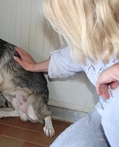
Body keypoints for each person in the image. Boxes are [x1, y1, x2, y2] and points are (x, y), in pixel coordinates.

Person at [14, 0, 119, 146]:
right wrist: (33, 67)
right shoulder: (89, 40)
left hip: (113, 116)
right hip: (104, 112)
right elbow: (69, 59)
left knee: (113, 116)